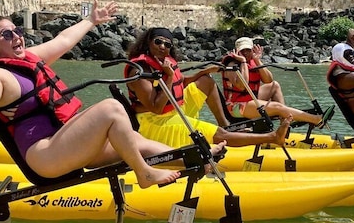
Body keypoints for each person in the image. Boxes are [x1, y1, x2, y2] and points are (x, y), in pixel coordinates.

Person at [0, 0, 196, 189]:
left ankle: (200, 162)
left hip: (64, 145)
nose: (17, 37)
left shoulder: (28, 59)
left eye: (16, 30)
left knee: (136, 139)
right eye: (6, 35)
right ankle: (144, 174)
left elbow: (63, 40)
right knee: (110, 109)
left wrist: (92, 21)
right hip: (45, 156)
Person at [125, 27, 291, 149]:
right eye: (158, 42)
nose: (162, 47)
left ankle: (225, 123)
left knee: (206, 80)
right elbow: (156, 107)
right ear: (148, 42)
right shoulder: (140, 70)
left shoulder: (165, 62)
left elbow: (181, 83)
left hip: (174, 110)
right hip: (156, 123)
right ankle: (272, 137)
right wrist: (168, 76)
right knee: (219, 135)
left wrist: (206, 71)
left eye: (167, 44)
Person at [221, 36, 326, 128]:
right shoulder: (231, 64)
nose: (245, 53)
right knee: (277, 107)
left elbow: (268, 80)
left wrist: (257, 60)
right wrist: (243, 62)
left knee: (274, 85)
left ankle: (284, 124)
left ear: (252, 50)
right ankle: (315, 119)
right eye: (242, 51)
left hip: (251, 100)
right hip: (236, 107)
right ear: (236, 51)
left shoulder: (253, 61)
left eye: (248, 50)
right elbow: (242, 86)